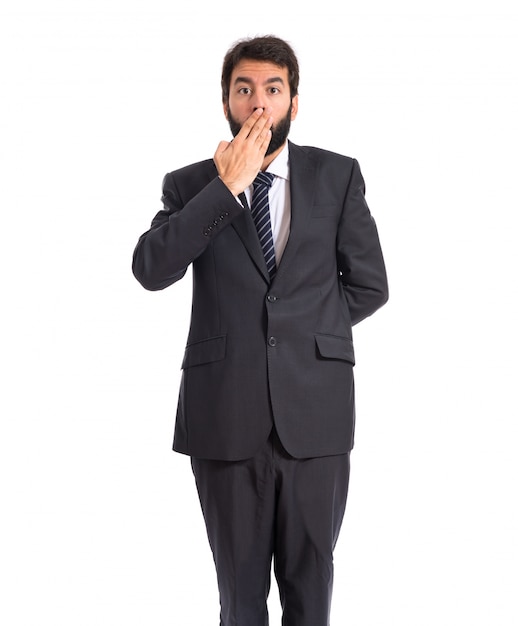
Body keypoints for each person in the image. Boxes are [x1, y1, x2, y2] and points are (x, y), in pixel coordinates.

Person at [132, 35, 388, 626]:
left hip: (315, 418)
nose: (258, 104)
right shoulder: (189, 184)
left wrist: (299, 336)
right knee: (239, 602)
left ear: (294, 103)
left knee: (311, 594)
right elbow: (151, 269)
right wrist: (226, 189)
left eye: (272, 90)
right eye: (243, 90)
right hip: (224, 417)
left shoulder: (337, 177)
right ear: (226, 100)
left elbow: (370, 285)